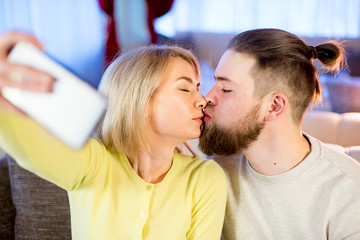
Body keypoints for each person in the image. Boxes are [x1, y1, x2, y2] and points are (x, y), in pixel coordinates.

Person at [0, 32, 227, 240]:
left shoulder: (205, 178)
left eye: (198, 87)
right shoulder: (93, 163)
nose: (202, 100)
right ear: (140, 100)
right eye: (186, 89)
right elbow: (29, 147)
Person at [199, 28, 360, 240]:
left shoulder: (349, 192)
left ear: (274, 106)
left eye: (226, 89)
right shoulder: (212, 171)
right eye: (214, 84)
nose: (207, 98)